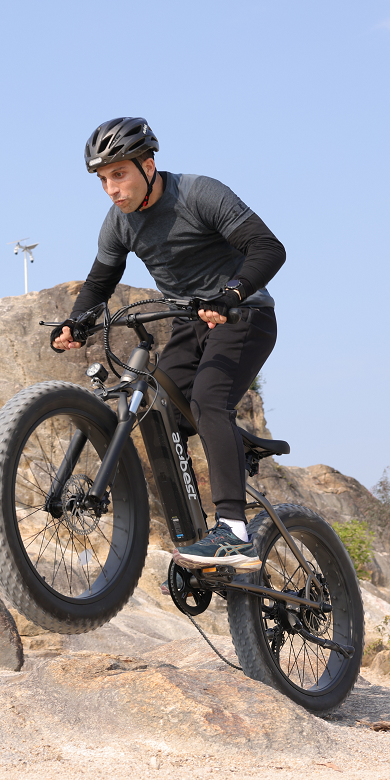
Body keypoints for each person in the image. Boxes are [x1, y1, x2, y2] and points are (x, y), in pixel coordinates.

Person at [51, 117, 285, 570]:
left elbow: (268, 247)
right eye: (103, 180)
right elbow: (100, 281)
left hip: (243, 315)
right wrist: (76, 323)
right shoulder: (119, 223)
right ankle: (197, 538)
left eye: (119, 174)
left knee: (209, 400)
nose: (111, 189)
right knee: (159, 411)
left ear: (148, 165)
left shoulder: (199, 193)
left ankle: (235, 533)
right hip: (188, 323)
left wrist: (231, 293)